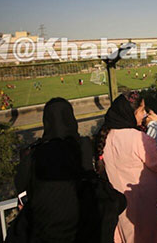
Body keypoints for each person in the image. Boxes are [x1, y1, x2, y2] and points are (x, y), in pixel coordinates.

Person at [9, 97, 120, 242]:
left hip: (45, 226)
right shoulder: (82, 146)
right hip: (83, 223)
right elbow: (91, 178)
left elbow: (21, 186)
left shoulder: (33, 153)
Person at [97, 91, 157, 243]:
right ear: (129, 113)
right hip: (147, 207)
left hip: (123, 208)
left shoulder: (107, 137)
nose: (145, 114)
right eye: (141, 110)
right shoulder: (138, 138)